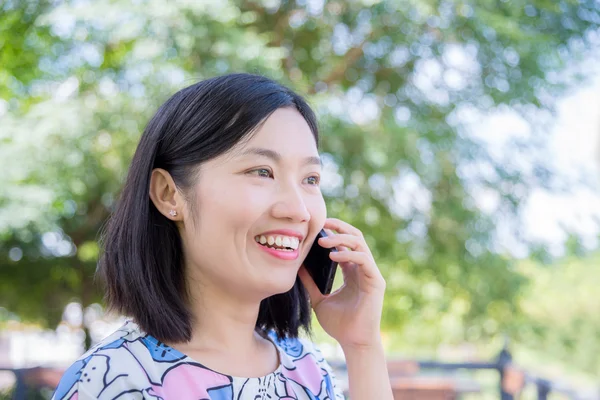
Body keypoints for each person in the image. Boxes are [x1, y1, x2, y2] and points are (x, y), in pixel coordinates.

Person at [52, 73, 393, 399]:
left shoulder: (307, 369)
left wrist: (362, 347)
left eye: (310, 179)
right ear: (170, 194)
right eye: (262, 171)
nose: (299, 210)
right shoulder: (112, 381)